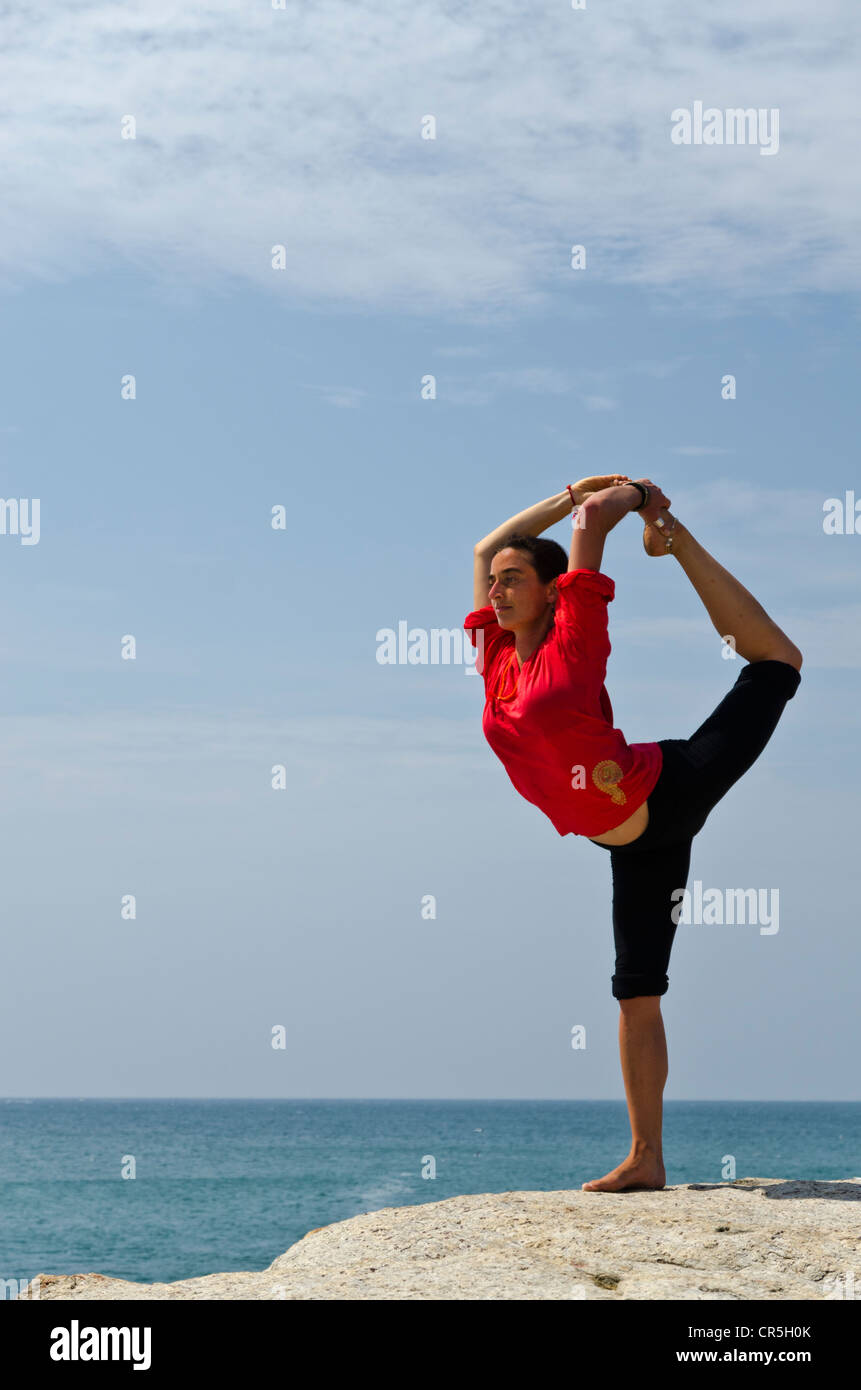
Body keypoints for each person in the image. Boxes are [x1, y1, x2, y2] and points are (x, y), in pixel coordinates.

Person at [465, 475, 802, 1192]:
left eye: (513, 581)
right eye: (494, 584)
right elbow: (485, 544)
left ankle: (676, 543)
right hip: (626, 839)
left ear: (553, 590)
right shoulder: (496, 660)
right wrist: (562, 495)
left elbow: (592, 522)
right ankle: (645, 1158)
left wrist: (638, 498)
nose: (495, 590)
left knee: (777, 664)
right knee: (635, 991)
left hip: (670, 789)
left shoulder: (574, 638)